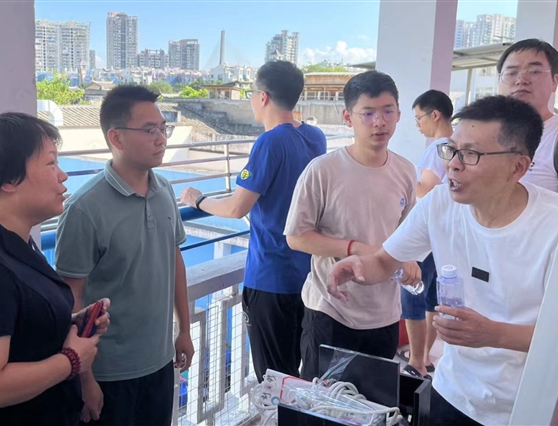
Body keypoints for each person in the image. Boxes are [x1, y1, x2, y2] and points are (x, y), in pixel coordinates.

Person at [328, 95, 558, 425]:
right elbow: (385, 260)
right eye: (451, 150)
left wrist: (492, 335)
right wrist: (359, 266)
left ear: (518, 167)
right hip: (452, 390)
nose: (453, 164)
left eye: (471, 154)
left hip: (525, 408)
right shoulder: (440, 203)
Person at [0, 112, 109, 426]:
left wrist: (68, 321)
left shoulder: (12, 242)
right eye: (51, 163)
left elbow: (13, 325)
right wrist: (71, 361)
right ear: (8, 179)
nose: (63, 176)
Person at [55, 85, 193, 426]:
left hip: (160, 363)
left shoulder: (165, 190)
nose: (161, 139)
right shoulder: (84, 209)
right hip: (109, 373)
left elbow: (174, 259)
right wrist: (85, 378)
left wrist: (184, 330)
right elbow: (70, 300)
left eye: (163, 128)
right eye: (150, 130)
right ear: (115, 137)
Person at [180, 60, 327, 382]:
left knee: (275, 379)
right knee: (300, 375)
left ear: (263, 97)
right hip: (307, 275)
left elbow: (237, 208)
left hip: (272, 278)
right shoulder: (315, 137)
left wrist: (198, 200)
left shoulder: (270, 142)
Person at [284, 70, 419, 381]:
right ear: (348, 117)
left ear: (399, 114)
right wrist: (353, 248)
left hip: (384, 314)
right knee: (322, 402)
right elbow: (296, 237)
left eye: (388, 111)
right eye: (367, 113)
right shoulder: (322, 171)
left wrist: (408, 258)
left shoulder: (405, 171)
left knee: (374, 401)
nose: (379, 122)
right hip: (330, 311)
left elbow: (407, 233)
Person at [397, 90, 455, 379]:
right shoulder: (456, 146)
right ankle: (425, 356)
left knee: (412, 294)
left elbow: (427, 189)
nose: (418, 125)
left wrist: (404, 177)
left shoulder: (437, 149)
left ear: (435, 115)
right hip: (445, 234)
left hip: (428, 233)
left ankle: (417, 361)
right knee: (432, 295)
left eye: (419, 118)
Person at [497, 38, 558, 197]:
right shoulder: (480, 136)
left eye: (534, 72)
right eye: (511, 73)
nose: (521, 80)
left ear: (554, 82)